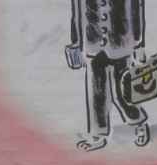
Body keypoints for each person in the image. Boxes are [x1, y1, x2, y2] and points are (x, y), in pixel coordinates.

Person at [65, 0, 152, 152]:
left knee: (123, 92)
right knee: (97, 93)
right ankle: (98, 134)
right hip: (92, 43)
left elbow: (136, 9)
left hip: (120, 42)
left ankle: (138, 122)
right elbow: (77, 12)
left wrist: (138, 44)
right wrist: (76, 43)